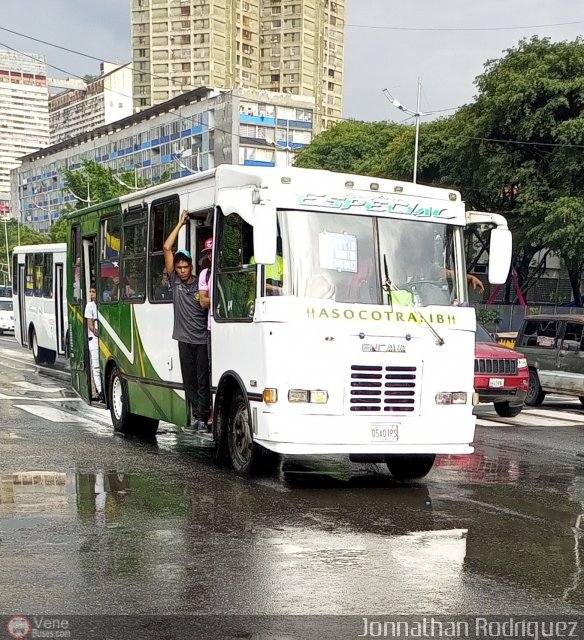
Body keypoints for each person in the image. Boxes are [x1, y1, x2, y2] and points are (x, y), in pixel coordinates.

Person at [163, 210, 210, 433]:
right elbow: (166, 248)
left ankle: (203, 420)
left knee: (202, 381)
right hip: (183, 339)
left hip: (201, 339)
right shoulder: (175, 282)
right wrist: (180, 224)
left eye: (185, 267)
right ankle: (199, 418)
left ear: (191, 267)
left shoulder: (199, 283)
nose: (181, 271)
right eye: (179, 267)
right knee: (189, 382)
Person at [84, 286, 104, 402]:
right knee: (96, 367)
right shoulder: (89, 306)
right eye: (90, 292)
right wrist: (98, 333)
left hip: (103, 339)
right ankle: (100, 392)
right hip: (94, 339)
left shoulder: (102, 303)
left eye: (93, 291)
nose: (91, 294)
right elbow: (90, 326)